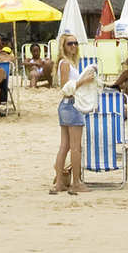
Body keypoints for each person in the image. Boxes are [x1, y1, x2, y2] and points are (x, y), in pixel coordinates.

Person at [53, 36, 98, 195]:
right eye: (69, 43)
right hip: (72, 104)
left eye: (75, 43)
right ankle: (76, 182)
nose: (73, 46)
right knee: (75, 148)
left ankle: (59, 182)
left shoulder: (67, 63)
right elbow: (66, 87)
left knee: (64, 146)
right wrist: (84, 80)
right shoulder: (65, 64)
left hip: (65, 105)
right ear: (63, 46)